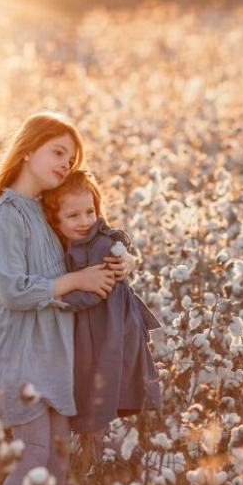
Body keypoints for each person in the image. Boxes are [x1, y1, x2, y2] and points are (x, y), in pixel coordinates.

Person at [0, 112, 130, 485]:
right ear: (27, 150)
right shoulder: (5, 214)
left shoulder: (45, 209)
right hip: (23, 355)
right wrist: (79, 280)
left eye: (70, 160)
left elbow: (96, 234)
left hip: (55, 357)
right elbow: (13, 291)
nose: (64, 165)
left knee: (56, 462)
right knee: (34, 457)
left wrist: (124, 258)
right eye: (57, 153)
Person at [41, 169, 162, 466]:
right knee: (88, 398)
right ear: (54, 219)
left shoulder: (104, 244)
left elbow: (98, 289)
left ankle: (126, 466)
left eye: (89, 212)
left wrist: (51, 302)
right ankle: (98, 464)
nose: (84, 221)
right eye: (74, 216)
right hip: (93, 328)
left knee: (102, 397)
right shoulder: (60, 244)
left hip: (110, 330)